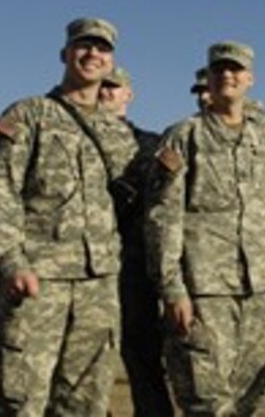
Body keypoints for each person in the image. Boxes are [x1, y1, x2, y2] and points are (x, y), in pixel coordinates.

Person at [0, 17, 138, 416]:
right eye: (84, 46)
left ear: (110, 61)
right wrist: (11, 260)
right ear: (65, 54)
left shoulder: (118, 134)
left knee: (85, 402)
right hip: (38, 280)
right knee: (21, 399)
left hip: (98, 286)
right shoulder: (29, 115)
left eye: (102, 48)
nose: (92, 54)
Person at [145, 41, 265, 415]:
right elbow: (163, 216)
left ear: (250, 79)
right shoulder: (184, 137)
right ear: (208, 80)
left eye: (236, 69)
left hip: (262, 290)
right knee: (207, 401)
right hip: (206, 293)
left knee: (258, 401)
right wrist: (172, 288)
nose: (227, 75)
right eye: (219, 69)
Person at [99, 67, 174, 416]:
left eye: (113, 87)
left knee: (143, 360)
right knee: (82, 364)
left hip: (135, 269)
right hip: (82, 268)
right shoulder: (65, 136)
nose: (105, 92)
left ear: (129, 94)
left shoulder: (152, 145)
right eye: (101, 86)